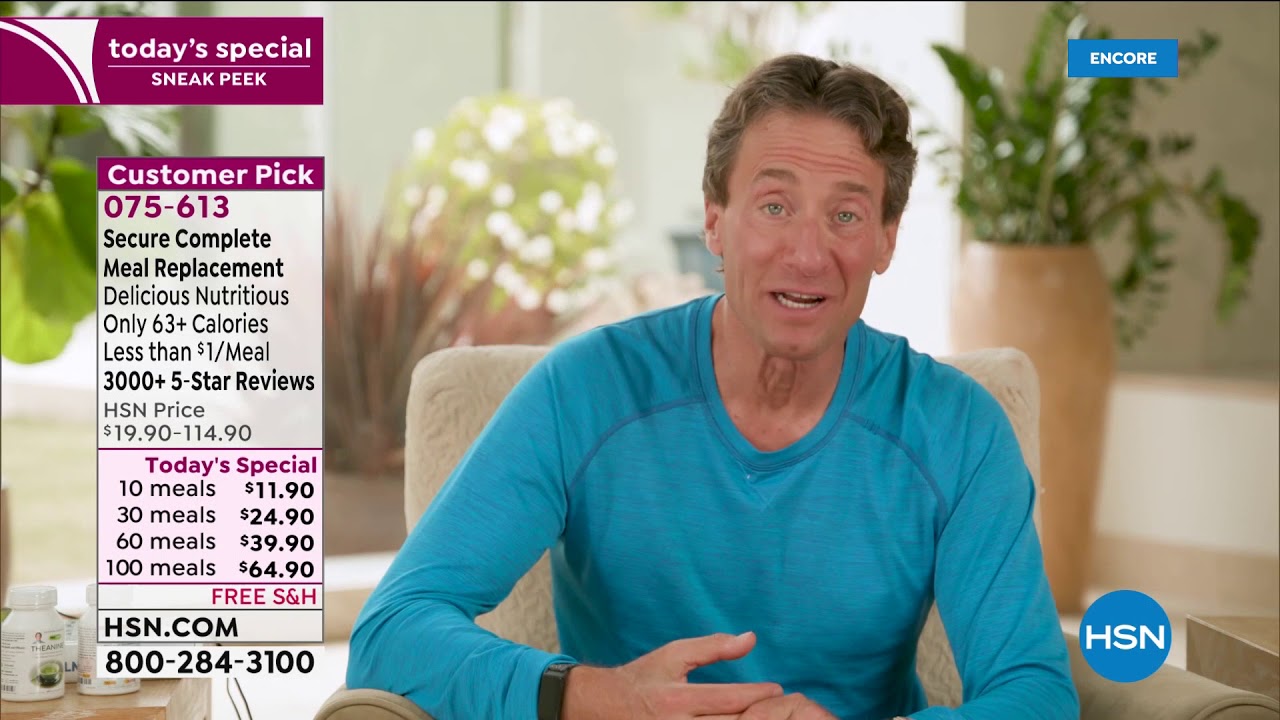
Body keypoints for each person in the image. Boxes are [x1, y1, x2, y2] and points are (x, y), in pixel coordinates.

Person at [346, 53, 1079, 720]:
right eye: (775, 205)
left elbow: (1036, 693)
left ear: (886, 240)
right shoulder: (586, 389)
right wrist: (593, 695)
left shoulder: (958, 428)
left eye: (846, 215)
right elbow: (392, 632)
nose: (807, 253)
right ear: (714, 219)